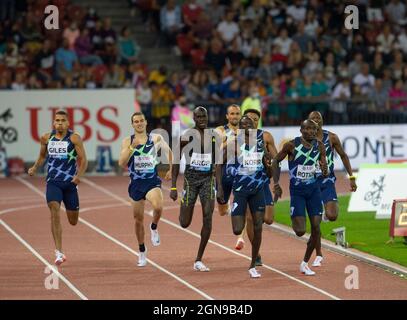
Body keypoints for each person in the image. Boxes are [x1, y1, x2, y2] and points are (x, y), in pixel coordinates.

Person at [28, 110, 88, 265]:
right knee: (54, 210)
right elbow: (42, 156)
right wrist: (34, 168)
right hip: (53, 182)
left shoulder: (74, 138)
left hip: (70, 184)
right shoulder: (46, 138)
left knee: (73, 220)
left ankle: (60, 251)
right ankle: (59, 252)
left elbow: (84, 159)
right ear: (54, 123)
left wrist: (79, 176)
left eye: (62, 120)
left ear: (68, 123)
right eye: (57, 120)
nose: (59, 123)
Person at [217, 115, 272, 278]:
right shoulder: (233, 143)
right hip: (240, 191)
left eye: (249, 123)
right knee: (236, 229)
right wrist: (220, 188)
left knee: (258, 226)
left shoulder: (260, 145)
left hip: (258, 190)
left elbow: (268, 171)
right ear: (240, 127)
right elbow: (219, 165)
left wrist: (269, 167)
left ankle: (254, 262)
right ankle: (253, 257)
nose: (247, 126)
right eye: (243, 124)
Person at [170, 106, 223, 272]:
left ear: (207, 117)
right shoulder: (187, 136)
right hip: (191, 180)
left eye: (204, 117)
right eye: (199, 117)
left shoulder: (214, 136)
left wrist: (219, 187)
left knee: (208, 217)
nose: (202, 119)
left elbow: (218, 163)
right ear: (194, 118)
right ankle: (184, 208)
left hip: (208, 180)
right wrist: (173, 186)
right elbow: (176, 161)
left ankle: (199, 259)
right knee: (185, 222)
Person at [272, 120, 328, 276]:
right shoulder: (292, 145)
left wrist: (324, 170)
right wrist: (276, 183)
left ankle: (305, 263)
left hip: (314, 191)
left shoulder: (320, 146)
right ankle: (295, 216)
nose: (311, 131)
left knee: (316, 227)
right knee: (300, 231)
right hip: (297, 192)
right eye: (308, 128)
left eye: (313, 129)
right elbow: (276, 160)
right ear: (301, 130)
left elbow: (324, 167)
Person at [118, 112, 173, 267]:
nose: (139, 123)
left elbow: (169, 152)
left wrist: (170, 170)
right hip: (136, 184)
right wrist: (130, 148)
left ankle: (154, 226)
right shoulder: (127, 141)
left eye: (141, 120)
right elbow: (121, 163)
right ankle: (142, 251)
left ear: (146, 122)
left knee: (158, 206)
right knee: (138, 219)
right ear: (132, 124)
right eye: (136, 121)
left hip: (151, 181)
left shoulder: (155, 139)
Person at [307, 111, 357, 267]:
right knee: (315, 225)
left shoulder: (332, 137)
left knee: (332, 215)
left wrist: (351, 177)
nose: (316, 120)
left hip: (327, 181)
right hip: (311, 183)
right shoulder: (304, 139)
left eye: (318, 118)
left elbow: (343, 155)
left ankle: (323, 213)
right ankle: (319, 255)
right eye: (313, 118)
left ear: (322, 121)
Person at [234, 109, 279, 265]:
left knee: (268, 219)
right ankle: (256, 254)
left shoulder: (265, 136)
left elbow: (276, 159)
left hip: (262, 183)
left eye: (255, 119)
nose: (252, 121)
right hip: (245, 185)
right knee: (250, 219)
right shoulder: (237, 139)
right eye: (249, 119)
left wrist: (270, 163)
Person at [214, 104, 241, 217]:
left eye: (237, 114)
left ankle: (240, 235)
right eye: (232, 114)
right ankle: (226, 205)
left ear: (240, 116)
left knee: (243, 202)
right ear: (227, 116)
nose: (235, 116)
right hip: (224, 170)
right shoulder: (220, 130)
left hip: (241, 170)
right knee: (222, 211)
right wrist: (230, 141)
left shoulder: (246, 130)